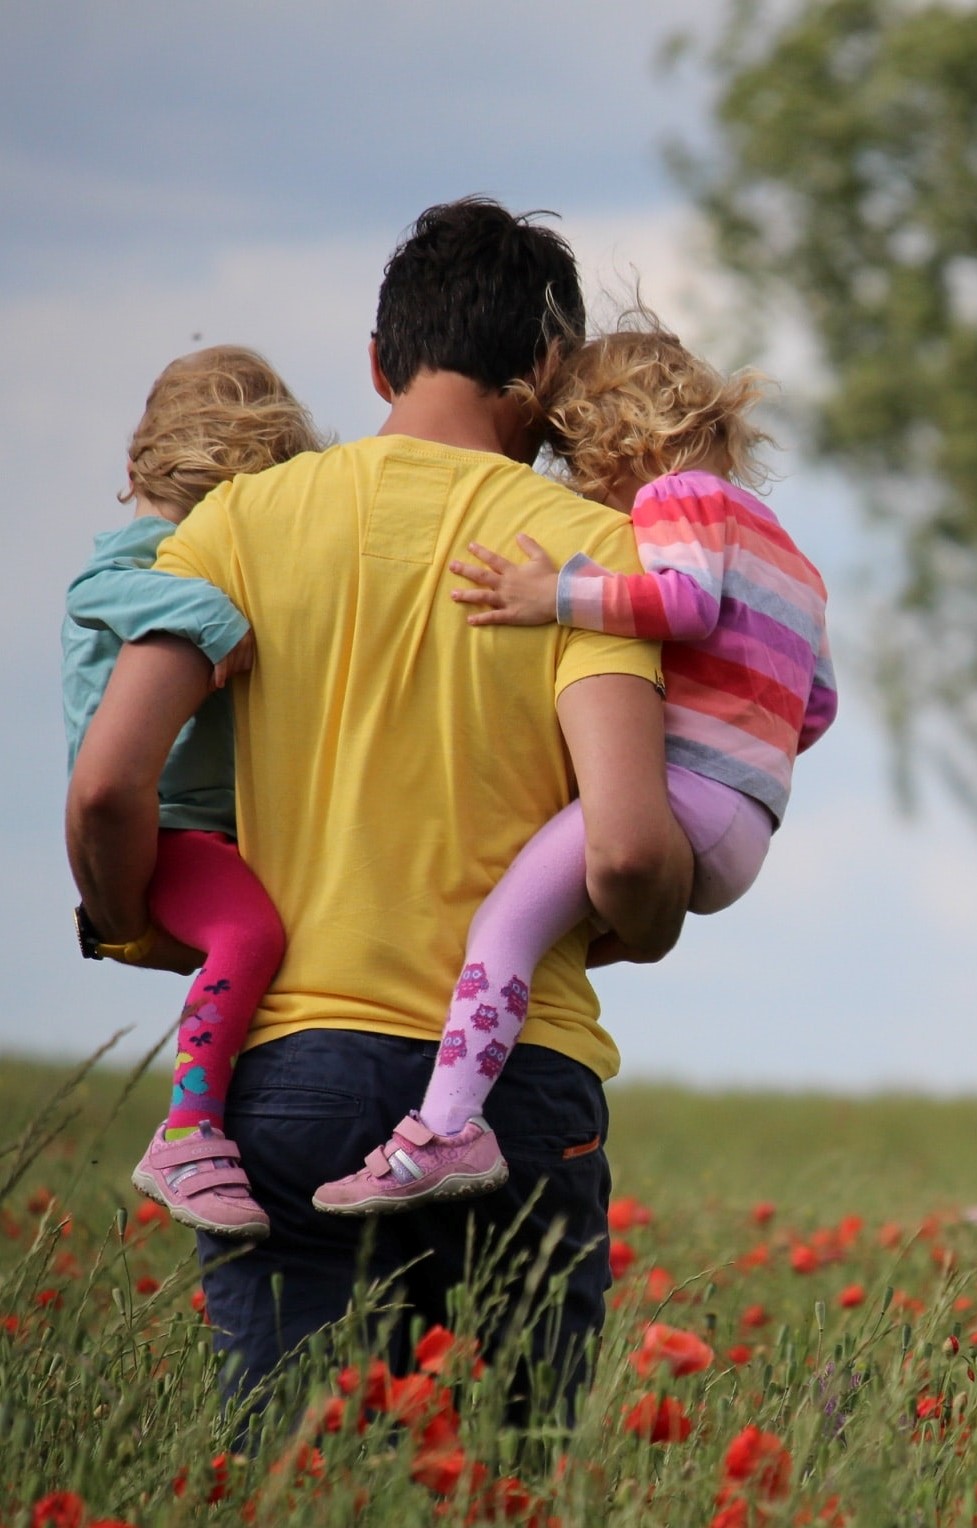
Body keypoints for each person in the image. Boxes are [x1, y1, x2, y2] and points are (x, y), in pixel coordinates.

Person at [66, 198, 693, 1408]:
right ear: (550, 370)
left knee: (297, 1471)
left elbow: (105, 784)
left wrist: (138, 920)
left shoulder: (236, 524)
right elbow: (624, 850)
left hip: (290, 1074)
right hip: (517, 1088)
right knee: (506, 1475)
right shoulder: (589, 555)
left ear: (376, 363)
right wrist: (650, 920)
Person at [313, 322, 837, 1214]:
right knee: (550, 929)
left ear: (619, 442)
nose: (587, 492)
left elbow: (683, 604)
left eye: (581, 465)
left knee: (502, 927)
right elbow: (816, 706)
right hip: (747, 822)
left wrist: (552, 593)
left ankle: (445, 1129)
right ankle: (473, 1081)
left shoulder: (677, 496)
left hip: (684, 795)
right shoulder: (791, 554)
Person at [63, 346, 323, 1239]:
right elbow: (97, 589)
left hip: (209, 827)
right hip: (169, 827)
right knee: (250, 936)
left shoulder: (181, 547)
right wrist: (213, 615)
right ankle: (187, 1130)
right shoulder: (144, 558)